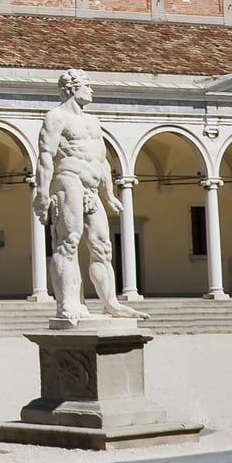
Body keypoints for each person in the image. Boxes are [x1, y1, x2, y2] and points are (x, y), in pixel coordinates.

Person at [32, 69, 137, 322]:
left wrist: (109, 194)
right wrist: (42, 194)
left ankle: (111, 303)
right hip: (68, 181)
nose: (92, 90)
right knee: (67, 242)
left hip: (91, 186)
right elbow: (46, 156)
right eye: (87, 85)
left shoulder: (93, 121)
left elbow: (101, 160)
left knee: (102, 246)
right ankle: (67, 303)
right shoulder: (55, 117)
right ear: (72, 88)